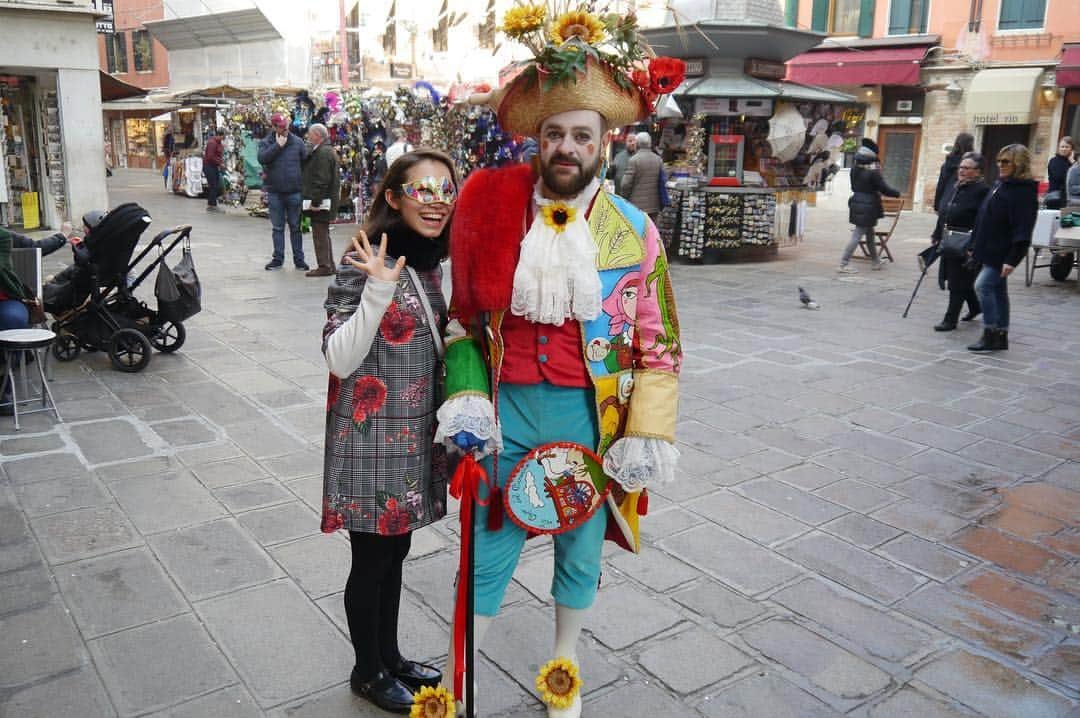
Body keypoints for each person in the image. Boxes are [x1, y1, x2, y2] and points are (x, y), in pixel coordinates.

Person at [431, 15, 683, 718]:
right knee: (485, 556)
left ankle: (565, 666)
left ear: (607, 144)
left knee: (580, 552)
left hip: (589, 416)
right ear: (536, 143)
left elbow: (661, 342)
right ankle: (460, 686)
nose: (566, 147)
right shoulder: (495, 215)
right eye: (554, 135)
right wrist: (468, 398)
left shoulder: (635, 233)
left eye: (581, 135)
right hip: (505, 413)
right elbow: (464, 327)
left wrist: (647, 432)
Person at [320, 149, 457, 714]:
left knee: (396, 549)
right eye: (422, 189)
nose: (437, 201)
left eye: (446, 189)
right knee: (371, 558)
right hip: (369, 438)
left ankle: (392, 656)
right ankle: (366, 670)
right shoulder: (363, 257)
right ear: (393, 197)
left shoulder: (428, 263)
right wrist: (376, 290)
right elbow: (338, 355)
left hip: (412, 433)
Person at [967, 144, 1038, 352]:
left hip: (1001, 252)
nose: (1000, 165)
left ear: (1018, 163)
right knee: (998, 291)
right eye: (999, 161)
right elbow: (984, 216)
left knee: (982, 286)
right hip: (988, 248)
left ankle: (989, 334)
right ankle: (1001, 335)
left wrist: (1013, 258)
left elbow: (1023, 229)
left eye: (1005, 161)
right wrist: (974, 245)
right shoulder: (1002, 184)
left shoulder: (1022, 192)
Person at [929, 151, 989, 331]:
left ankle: (950, 320)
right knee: (960, 278)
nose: (962, 171)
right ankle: (975, 306)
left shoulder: (982, 190)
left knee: (957, 281)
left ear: (978, 171)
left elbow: (982, 220)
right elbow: (944, 211)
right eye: (961, 167)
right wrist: (937, 233)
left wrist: (974, 246)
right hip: (950, 240)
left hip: (966, 242)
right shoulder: (956, 186)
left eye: (967, 168)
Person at [838, 138, 901, 273]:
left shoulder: (854, 168)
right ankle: (843, 263)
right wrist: (897, 193)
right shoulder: (873, 171)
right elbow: (884, 188)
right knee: (858, 234)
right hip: (868, 205)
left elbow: (854, 186)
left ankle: (875, 262)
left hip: (857, 202)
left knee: (870, 234)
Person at [259, 113, 310, 270]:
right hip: (275, 192)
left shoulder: (297, 142)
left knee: (296, 227)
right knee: (277, 228)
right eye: (281, 127)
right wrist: (277, 146)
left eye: (286, 127)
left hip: (294, 191)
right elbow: (262, 158)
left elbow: (306, 161)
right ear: (274, 127)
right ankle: (278, 259)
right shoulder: (267, 142)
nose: (285, 130)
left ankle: (299, 259)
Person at [301, 123, 341, 277]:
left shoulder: (323, 153)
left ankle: (324, 266)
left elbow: (322, 179)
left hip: (322, 201)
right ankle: (329, 265)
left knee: (320, 234)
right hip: (326, 199)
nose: (308, 137)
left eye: (310, 134)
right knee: (323, 233)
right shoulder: (325, 151)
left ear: (317, 135)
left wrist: (315, 201)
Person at [620, 132, 663, 221]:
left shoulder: (634, 160)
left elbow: (625, 184)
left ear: (637, 143)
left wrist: (624, 199)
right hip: (654, 207)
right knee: (650, 233)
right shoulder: (658, 159)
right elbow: (661, 182)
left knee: (637, 232)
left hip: (636, 207)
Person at [934, 132, 974, 213]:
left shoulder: (947, 163)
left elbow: (941, 185)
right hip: (963, 204)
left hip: (945, 202)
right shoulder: (971, 164)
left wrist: (937, 205)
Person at [1046, 136, 1075, 208]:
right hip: (1056, 198)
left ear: (1071, 149)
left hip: (1069, 197)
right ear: (1058, 148)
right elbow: (1059, 177)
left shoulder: (1073, 162)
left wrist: (1072, 162)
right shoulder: (1054, 161)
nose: (1064, 149)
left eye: (1067, 147)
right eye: (1062, 147)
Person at [202, 130, 224, 211]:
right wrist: (220, 163)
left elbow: (218, 154)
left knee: (215, 184)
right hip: (209, 166)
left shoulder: (217, 142)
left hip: (213, 166)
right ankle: (212, 205)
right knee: (213, 185)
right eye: (222, 137)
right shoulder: (212, 143)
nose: (223, 139)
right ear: (219, 135)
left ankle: (211, 204)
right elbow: (210, 156)